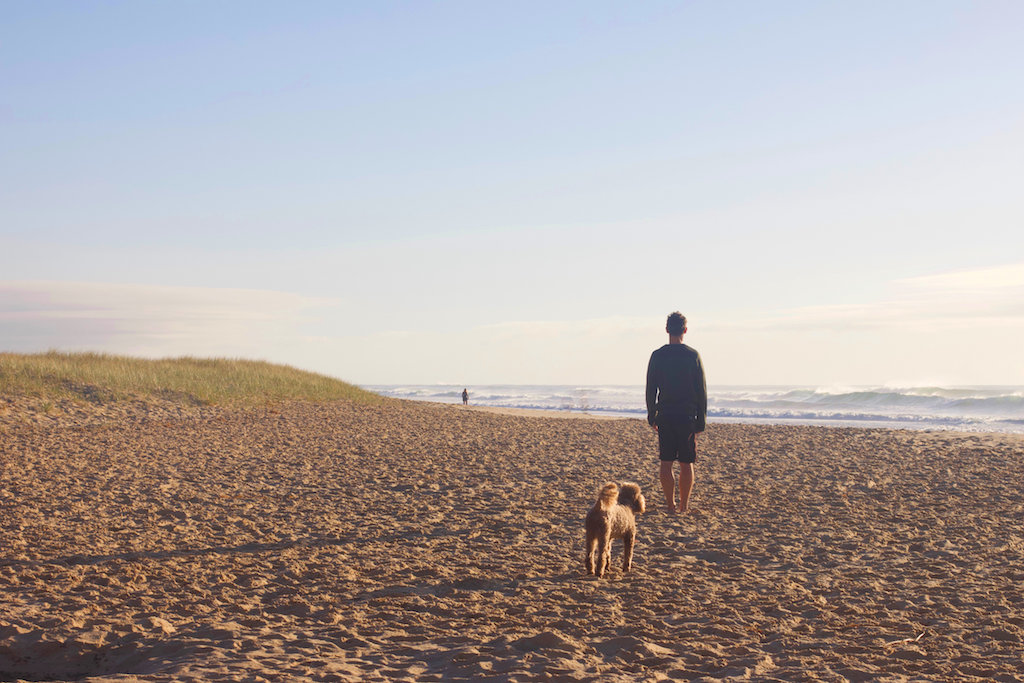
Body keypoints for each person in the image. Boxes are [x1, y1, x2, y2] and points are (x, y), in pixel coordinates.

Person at [646, 311, 707, 514]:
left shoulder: (658, 355)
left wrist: (651, 414)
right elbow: (701, 390)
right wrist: (701, 419)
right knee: (686, 462)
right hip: (687, 415)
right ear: (685, 330)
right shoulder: (692, 355)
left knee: (666, 461)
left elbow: (651, 388)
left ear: (667, 330)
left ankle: (670, 505)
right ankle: (684, 505)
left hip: (665, 414)